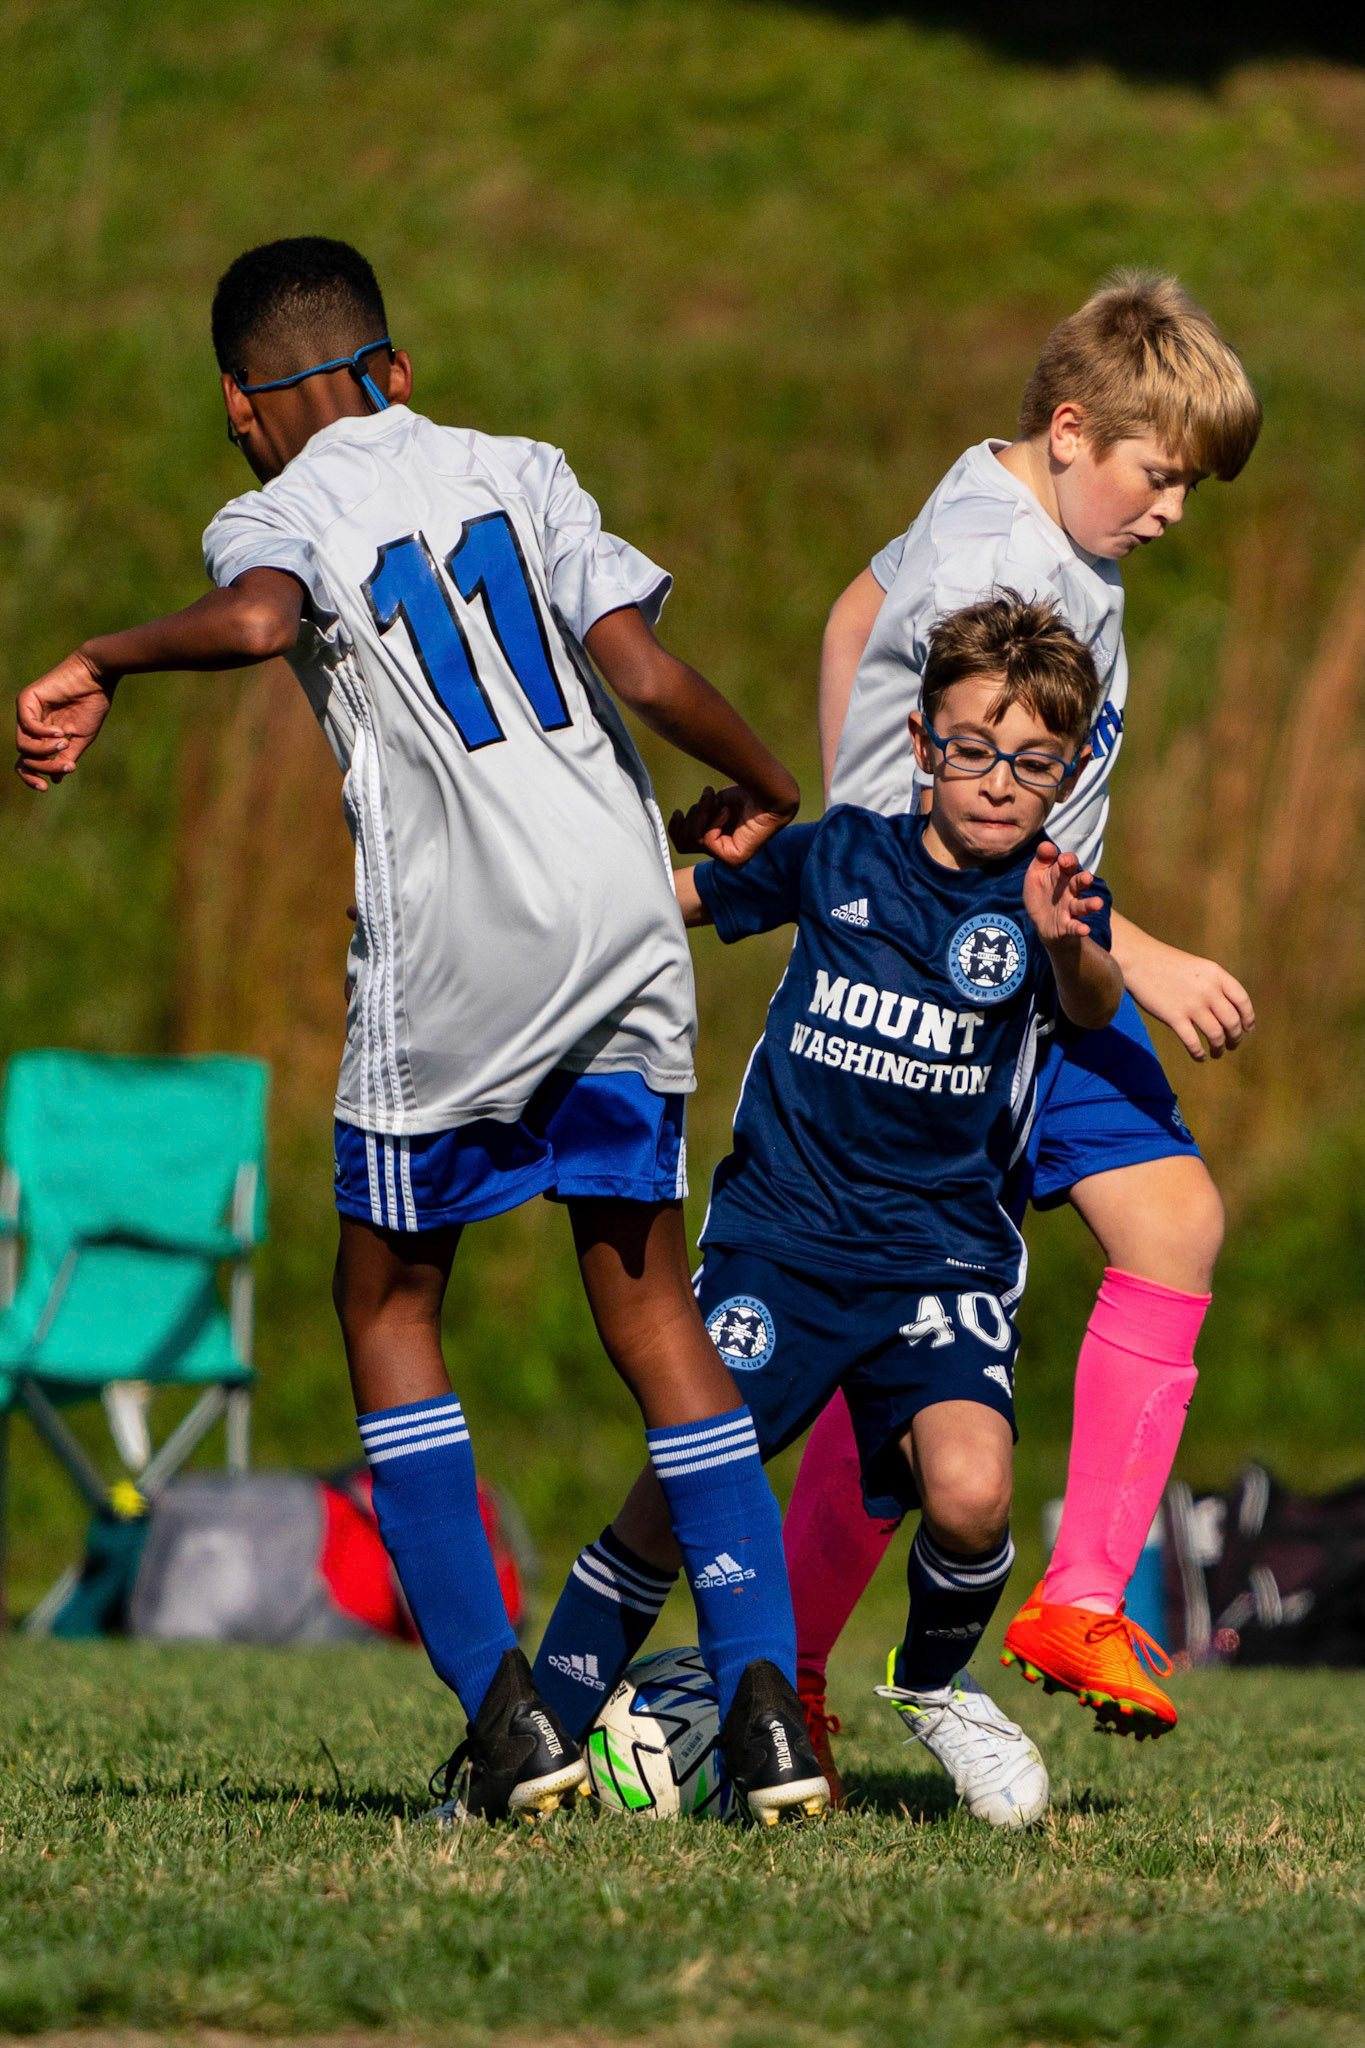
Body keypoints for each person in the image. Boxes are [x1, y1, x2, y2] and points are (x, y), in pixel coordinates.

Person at [12, 236, 830, 1828]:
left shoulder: (277, 507)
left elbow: (259, 626)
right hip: (618, 918)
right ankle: (767, 1711)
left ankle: (506, 1719)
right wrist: (773, 790)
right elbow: (643, 666)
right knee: (651, 1303)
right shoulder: (522, 466)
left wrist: (104, 655)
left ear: (243, 408)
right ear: (396, 368)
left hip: (455, 945)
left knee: (386, 1303)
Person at [533, 594, 1122, 1826]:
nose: (999, 782)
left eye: (1033, 762)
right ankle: (536, 1726)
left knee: (971, 1492)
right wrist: (562, 906)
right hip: (784, 1242)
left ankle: (931, 1680)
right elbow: (677, 902)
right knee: (679, 1493)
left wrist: (1070, 944)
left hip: (941, 1258)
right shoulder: (842, 854)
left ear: (1067, 773)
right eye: (973, 748)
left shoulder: (1052, 899)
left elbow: (1092, 1001)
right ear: (922, 744)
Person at [784, 271, 1261, 1769]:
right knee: (897, 1337)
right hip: (964, 980)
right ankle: (783, 1666)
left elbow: (847, 610)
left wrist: (854, 834)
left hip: (1030, 953)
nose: (1173, 511)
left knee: (1170, 1225)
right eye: (1160, 475)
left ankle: (1076, 1596)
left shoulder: (1008, 503)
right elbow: (996, 822)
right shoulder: (1017, 577)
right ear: (1072, 429)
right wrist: (1156, 957)